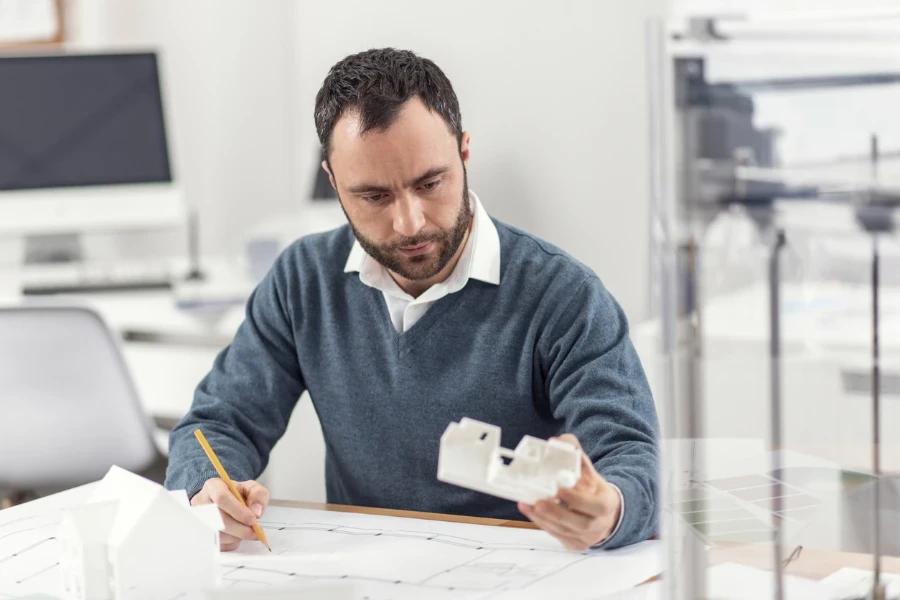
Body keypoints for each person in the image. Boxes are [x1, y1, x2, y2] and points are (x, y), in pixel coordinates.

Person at [165, 47, 659, 553]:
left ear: (465, 153)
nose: (409, 223)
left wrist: (611, 509)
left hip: (518, 573)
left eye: (430, 183)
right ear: (334, 183)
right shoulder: (303, 279)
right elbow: (217, 423)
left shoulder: (563, 295)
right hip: (362, 572)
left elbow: (632, 456)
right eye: (374, 197)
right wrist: (209, 487)